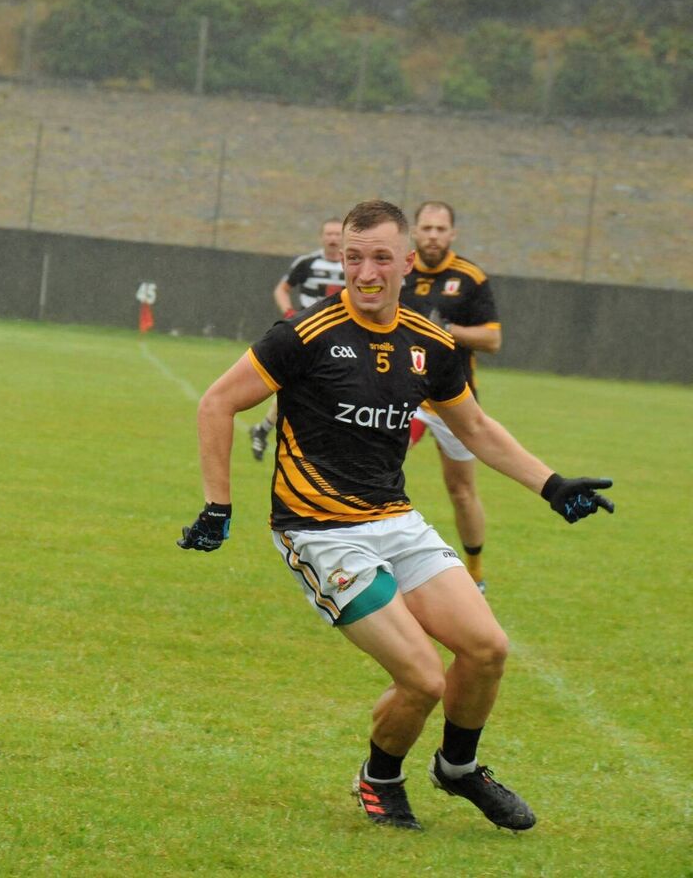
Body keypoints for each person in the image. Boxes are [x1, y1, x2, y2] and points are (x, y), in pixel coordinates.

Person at [178, 199, 613, 833]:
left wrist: (551, 485)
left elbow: (478, 429)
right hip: (320, 534)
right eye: (354, 258)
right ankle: (380, 776)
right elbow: (217, 403)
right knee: (422, 677)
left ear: (408, 262)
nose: (366, 271)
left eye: (381, 257)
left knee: (487, 649)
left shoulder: (431, 344)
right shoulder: (301, 335)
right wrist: (219, 505)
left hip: (396, 521)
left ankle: (458, 770)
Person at [401, 202, 500, 593]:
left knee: (461, 491)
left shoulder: (471, 278)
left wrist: (446, 329)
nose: (433, 236)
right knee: (378, 467)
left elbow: (492, 339)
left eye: (441, 229)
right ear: (414, 231)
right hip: (404, 394)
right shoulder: (401, 270)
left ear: (452, 234)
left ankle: (475, 572)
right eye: (426, 228)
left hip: (454, 400)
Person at [249, 218, 344, 461]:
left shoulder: (352, 264)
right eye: (329, 234)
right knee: (299, 385)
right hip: (308, 335)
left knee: (308, 387)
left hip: (341, 337)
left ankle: (263, 430)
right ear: (321, 237)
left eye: (337, 234)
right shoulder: (307, 262)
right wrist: (290, 314)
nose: (333, 239)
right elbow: (281, 289)